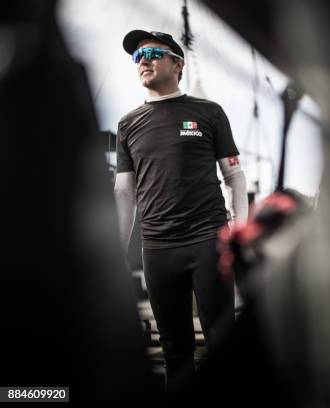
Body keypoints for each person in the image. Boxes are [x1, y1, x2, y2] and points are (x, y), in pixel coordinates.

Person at [113, 29, 248, 394]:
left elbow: (235, 177)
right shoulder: (127, 125)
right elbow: (125, 193)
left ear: (177, 63)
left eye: (153, 53)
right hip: (158, 249)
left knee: (222, 339)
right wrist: (115, 255)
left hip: (209, 241)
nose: (144, 61)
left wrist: (241, 232)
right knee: (175, 351)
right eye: (137, 56)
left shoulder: (208, 113)